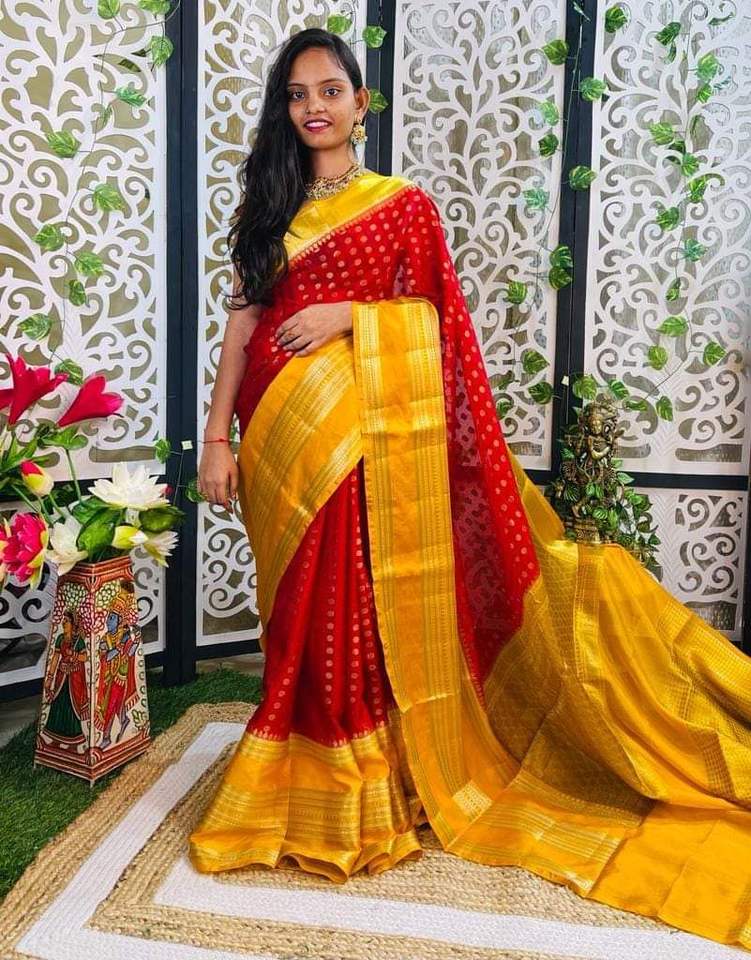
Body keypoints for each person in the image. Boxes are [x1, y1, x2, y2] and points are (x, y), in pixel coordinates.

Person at [188, 26, 751, 952]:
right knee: (293, 611)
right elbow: (243, 326)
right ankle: (294, 776)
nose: (313, 107)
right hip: (278, 437)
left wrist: (350, 315)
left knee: (350, 606)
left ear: (360, 102)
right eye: (296, 94)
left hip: (364, 439)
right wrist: (217, 438)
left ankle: (362, 789)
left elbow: (437, 323)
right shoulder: (268, 204)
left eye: (329, 90)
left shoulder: (401, 206)